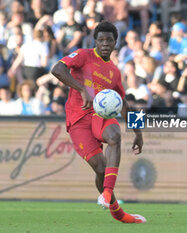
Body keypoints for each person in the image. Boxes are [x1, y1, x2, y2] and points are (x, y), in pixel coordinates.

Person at [51, 21, 146, 224]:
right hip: (77, 120)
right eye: (101, 39)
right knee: (101, 169)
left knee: (114, 135)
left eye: (109, 40)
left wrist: (138, 132)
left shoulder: (114, 72)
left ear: (115, 43)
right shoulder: (84, 55)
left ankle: (107, 193)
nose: (104, 43)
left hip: (99, 115)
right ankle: (117, 211)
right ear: (95, 41)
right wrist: (81, 89)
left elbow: (124, 103)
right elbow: (57, 69)